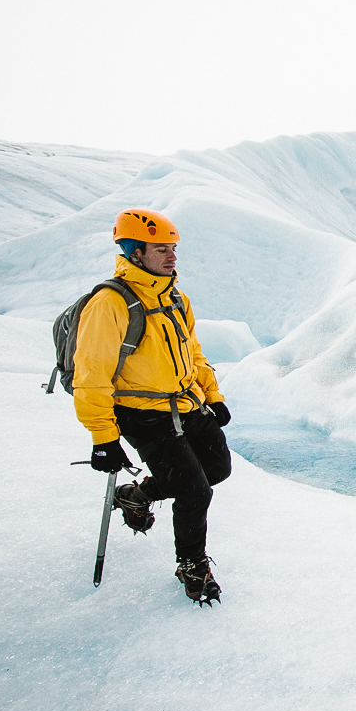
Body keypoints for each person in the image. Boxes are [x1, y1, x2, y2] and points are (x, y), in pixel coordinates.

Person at [73, 208, 232, 605]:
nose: (172, 256)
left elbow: (192, 353)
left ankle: (139, 494)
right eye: (161, 249)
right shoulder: (110, 304)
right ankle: (192, 564)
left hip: (184, 401)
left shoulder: (176, 297)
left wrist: (212, 394)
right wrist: (103, 438)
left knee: (217, 468)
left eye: (173, 248)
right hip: (141, 412)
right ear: (134, 252)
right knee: (194, 492)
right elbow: (91, 375)